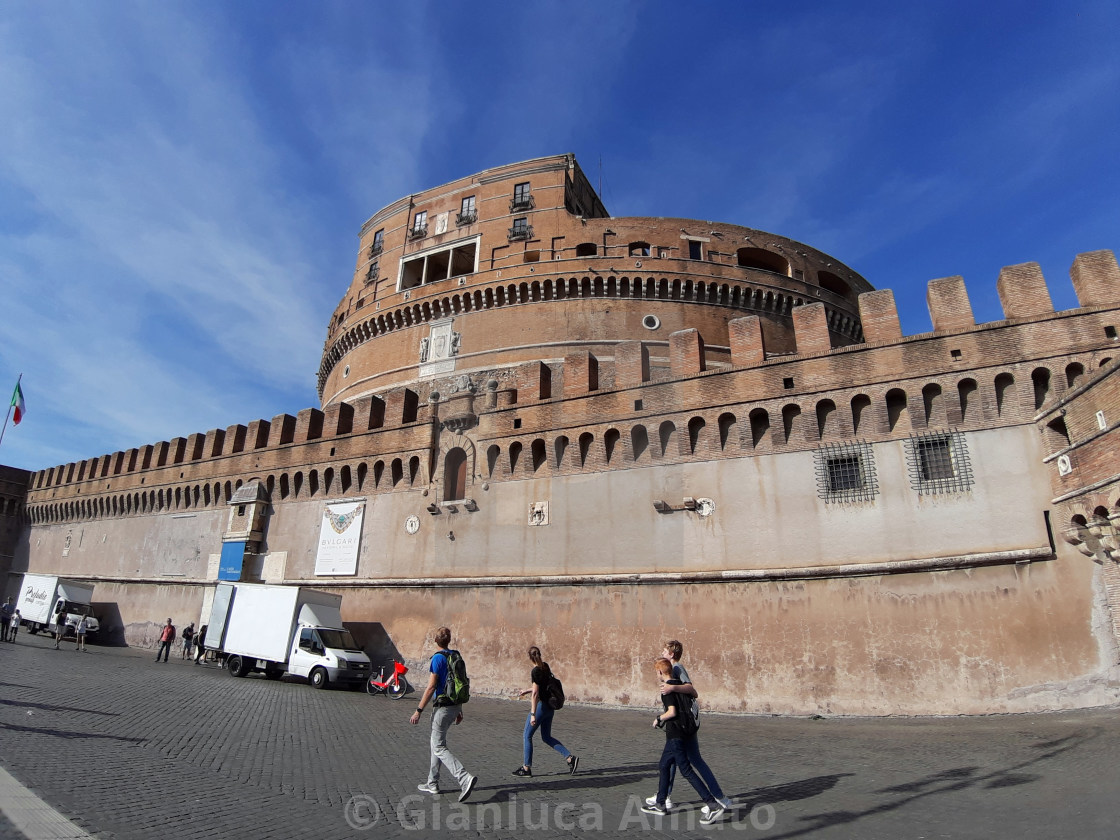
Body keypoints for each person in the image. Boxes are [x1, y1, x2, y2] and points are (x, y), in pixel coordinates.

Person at [646, 640, 732, 813]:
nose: (662, 653)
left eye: (664, 651)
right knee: (670, 762)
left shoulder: (677, 668)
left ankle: (717, 798)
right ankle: (664, 796)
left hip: (682, 724)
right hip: (682, 724)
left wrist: (672, 689)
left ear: (671, 654)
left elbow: (692, 690)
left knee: (691, 763)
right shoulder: (672, 669)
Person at [409, 626, 477, 802]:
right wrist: (459, 708)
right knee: (436, 743)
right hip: (454, 705)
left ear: (435, 640)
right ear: (449, 640)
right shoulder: (455, 655)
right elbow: (460, 683)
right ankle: (432, 783)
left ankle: (464, 778)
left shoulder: (438, 659)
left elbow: (431, 687)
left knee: (439, 746)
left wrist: (418, 710)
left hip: (443, 707)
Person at [512, 645, 578, 777]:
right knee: (546, 737)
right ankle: (570, 758)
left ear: (530, 658)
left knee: (527, 735)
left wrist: (532, 714)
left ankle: (526, 768)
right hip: (550, 708)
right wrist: (527, 689)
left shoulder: (535, 671)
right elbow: (543, 686)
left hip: (542, 707)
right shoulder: (545, 666)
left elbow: (536, 694)